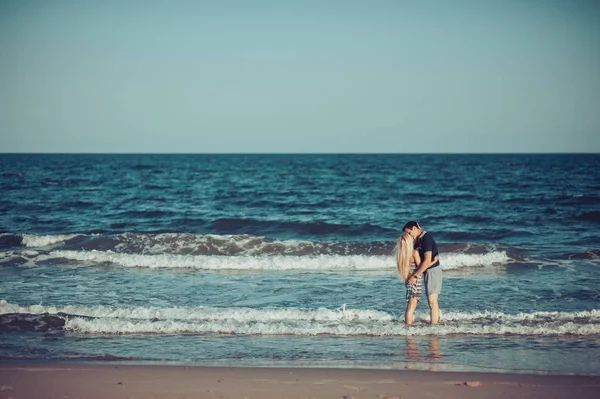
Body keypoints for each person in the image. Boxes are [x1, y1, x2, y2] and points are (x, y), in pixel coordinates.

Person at [394, 232, 438, 325]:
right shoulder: (414, 252)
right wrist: (433, 261)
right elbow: (422, 266)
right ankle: (408, 326)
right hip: (415, 281)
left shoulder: (401, 255)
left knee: (410, 305)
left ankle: (408, 325)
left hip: (408, 280)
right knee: (411, 306)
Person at [403, 221, 442, 324]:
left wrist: (415, 276)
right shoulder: (417, 239)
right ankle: (435, 325)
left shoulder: (426, 238)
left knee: (432, 301)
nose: (409, 236)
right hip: (424, 271)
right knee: (431, 302)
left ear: (415, 228)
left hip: (432, 271)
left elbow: (427, 261)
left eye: (409, 233)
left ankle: (434, 327)